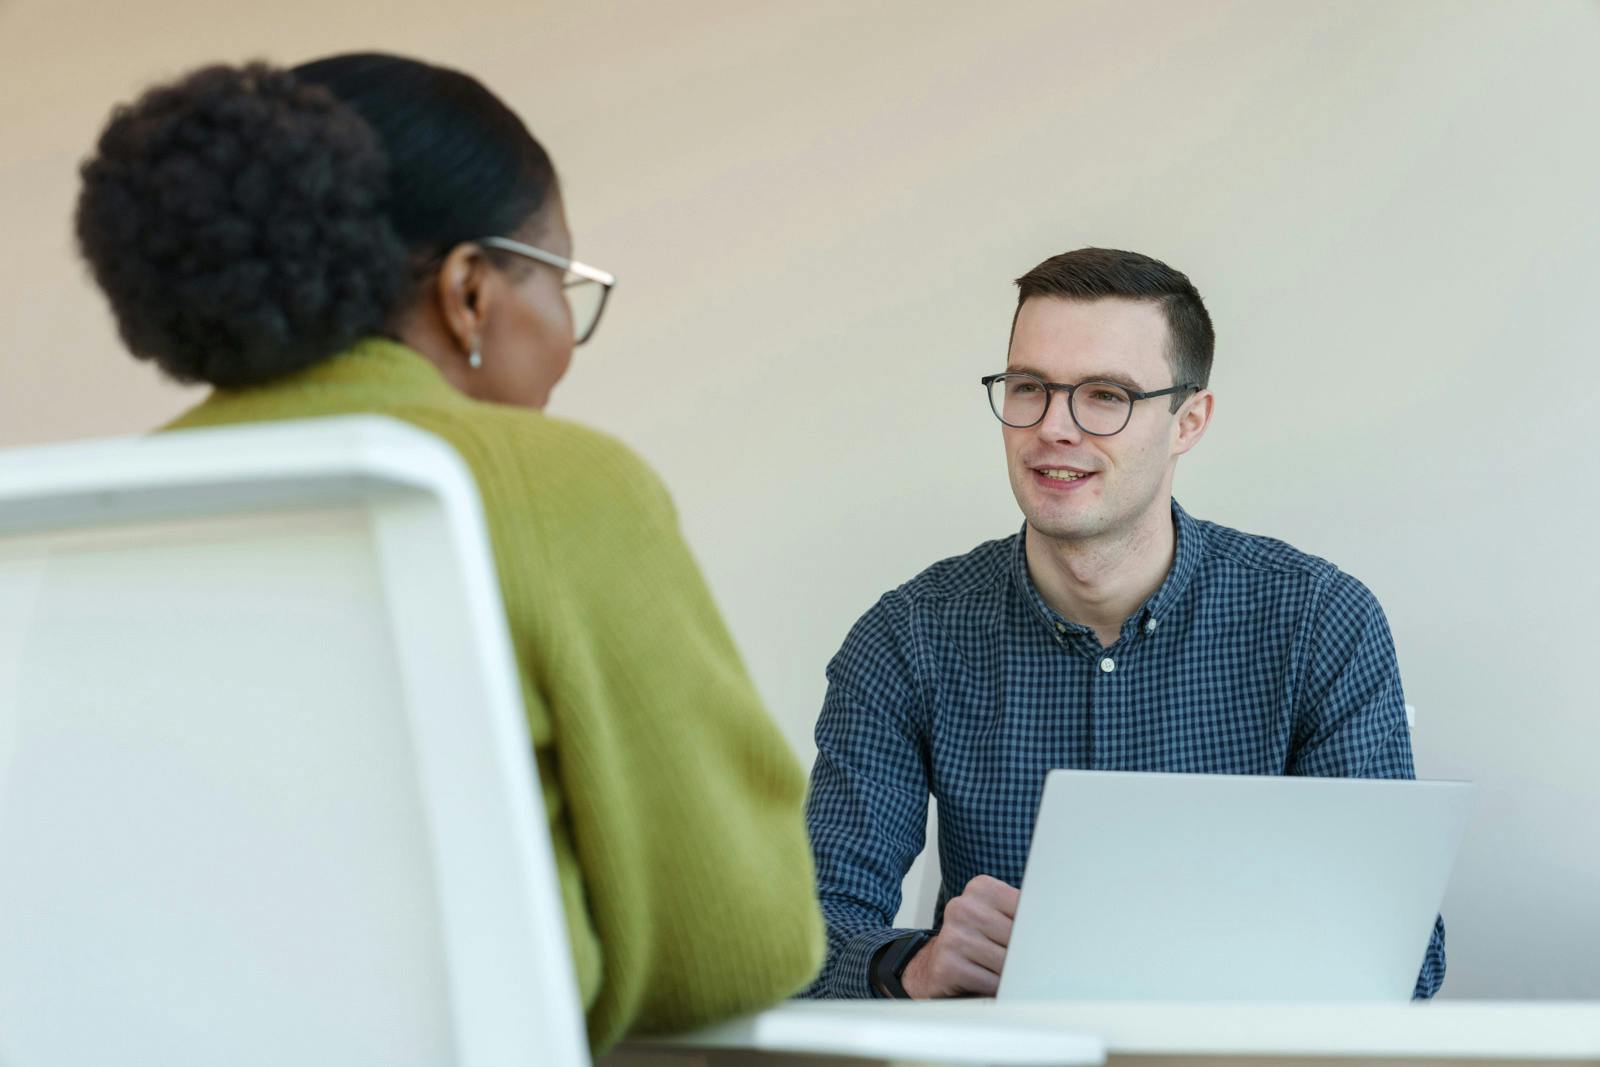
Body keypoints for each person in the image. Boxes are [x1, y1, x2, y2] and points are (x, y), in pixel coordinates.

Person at [74, 53, 823, 1049]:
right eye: (560, 279)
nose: (564, 332)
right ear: (470, 289)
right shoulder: (561, 489)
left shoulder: (90, 514)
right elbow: (732, 947)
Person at [802, 247, 1445, 1000]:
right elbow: (807, 937)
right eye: (1029, 387)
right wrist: (912, 964)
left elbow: (1402, 958)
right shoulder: (907, 637)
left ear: (1188, 421)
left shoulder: (1317, 623)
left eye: (1106, 395)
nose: (1054, 428)